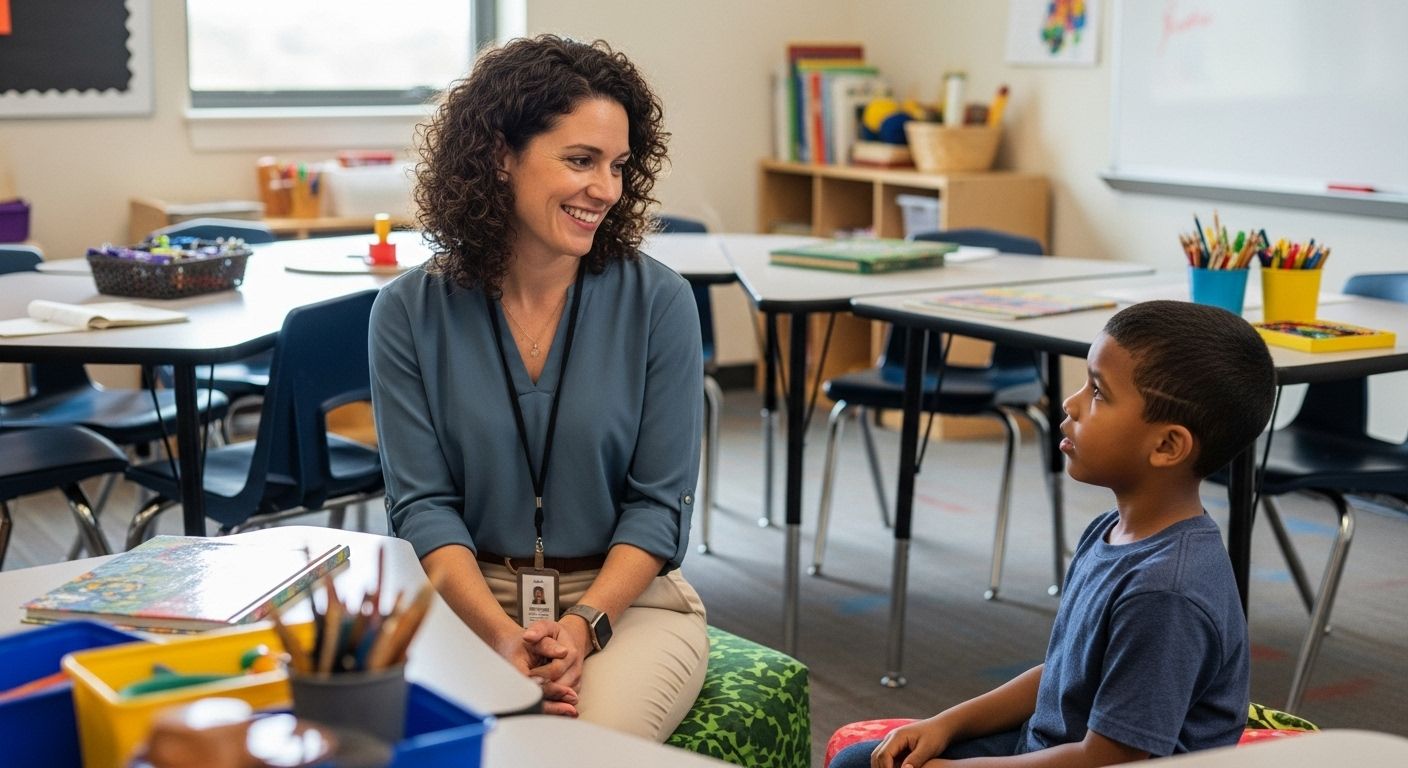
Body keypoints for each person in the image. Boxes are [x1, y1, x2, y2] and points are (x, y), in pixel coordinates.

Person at [369, 34, 707, 742]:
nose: (606, 190)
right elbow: (423, 506)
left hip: (626, 604)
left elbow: (657, 506)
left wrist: (583, 626)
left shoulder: (661, 303)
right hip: (463, 603)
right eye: (580, 161)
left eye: (617, 166)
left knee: (568, 748)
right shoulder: (407, 311)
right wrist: (498, 635)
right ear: (499, 155)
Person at [833, 300, 1276, 768]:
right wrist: (944, 723)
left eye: (1099, 393)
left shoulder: (1165, 593)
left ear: (1167, 445)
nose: (1071, 403)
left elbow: (1106, 759)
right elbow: (1061, 677)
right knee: (861, 762)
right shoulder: (1109, 531)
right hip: (1047, 748)